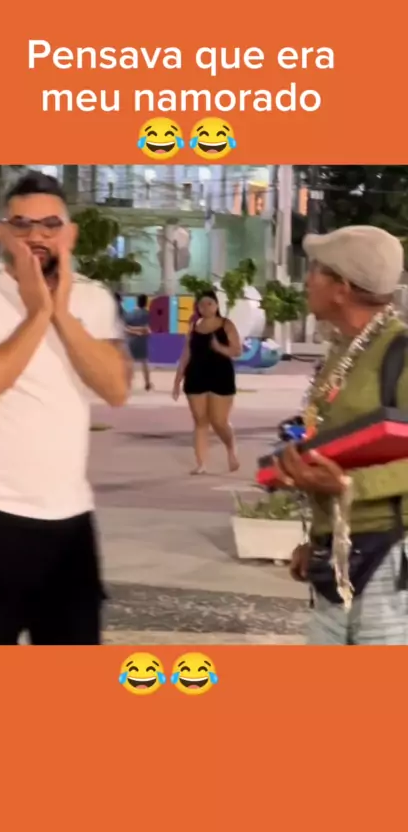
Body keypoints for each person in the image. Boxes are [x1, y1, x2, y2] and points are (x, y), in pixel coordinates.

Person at [0, 170, 130, 645]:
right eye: (21, 225)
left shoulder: (93, 298)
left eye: (50, 225)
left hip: (70, 520)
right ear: (2, 232)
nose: (36, 236)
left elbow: (115, 388)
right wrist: (39, 311)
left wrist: (60, 310)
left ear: (70, 233)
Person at [273, 225, 408, 645]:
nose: (306, 280)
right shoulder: (344, 352)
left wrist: (349, 484)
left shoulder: (400, 353)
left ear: (341, 288)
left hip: (389, 561)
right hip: (337, 553)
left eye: (316, 269)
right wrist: (315, 540)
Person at [173, 289, 241, 474]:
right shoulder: (194, 326)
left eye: (209, 303)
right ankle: (201, 463)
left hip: (221, 376)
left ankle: (231, 449)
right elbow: (186, 354)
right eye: (201, 304)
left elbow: (237, 351)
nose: (205, 307)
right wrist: (177, 380)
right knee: (200, 421)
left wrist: (219, 348)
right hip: (196, 376)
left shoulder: (226, 325)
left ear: (217, 305)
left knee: (219, 421)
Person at [125, 294, 152, 391]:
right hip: (141, 341)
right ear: (146, 302)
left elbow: (125, 327)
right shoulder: (147, 314)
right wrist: (142, 331)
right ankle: (147, 383)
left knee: (129, 363)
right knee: (144, 363)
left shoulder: (129, 313)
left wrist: (134, 331)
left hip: (130, 340)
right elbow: (148, 329)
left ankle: (127, 383)